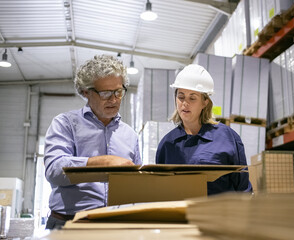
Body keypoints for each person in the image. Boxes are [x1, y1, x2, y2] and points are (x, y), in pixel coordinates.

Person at [44, 55, 141, 229]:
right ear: (85, 92)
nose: (113, 99)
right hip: (69, 223)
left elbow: (137, 185)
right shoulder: (65, 124)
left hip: (116, 225)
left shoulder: (130, 135)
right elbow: (54, 170)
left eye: (118, 92)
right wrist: (101, 163)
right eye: (105, 93)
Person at [155, 64, 252, 195]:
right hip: (180, 215)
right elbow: (162, 190)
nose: (185, 103)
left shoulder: (228, 138)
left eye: (192, 98)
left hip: (221, 214)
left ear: (205, 102)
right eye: (181, 97)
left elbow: (243, 188)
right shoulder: (167, 144)